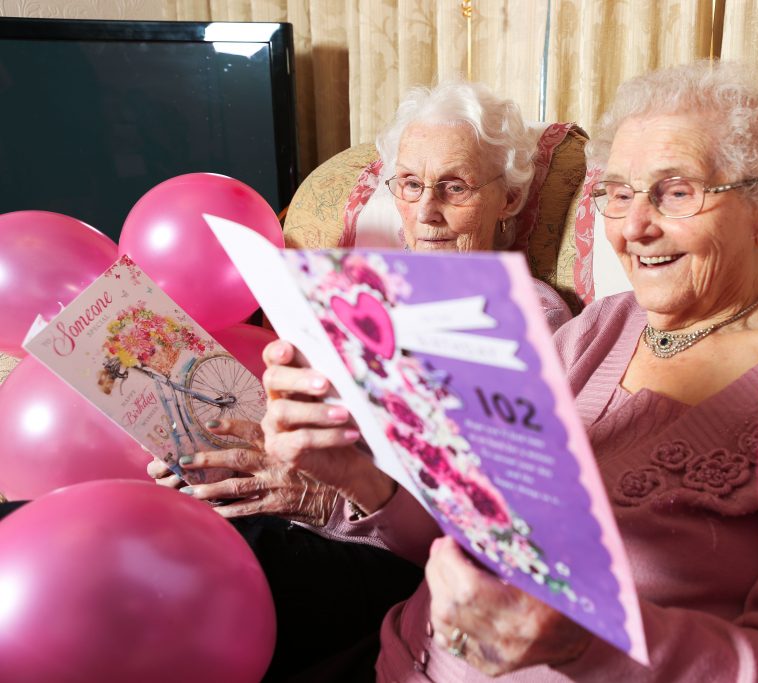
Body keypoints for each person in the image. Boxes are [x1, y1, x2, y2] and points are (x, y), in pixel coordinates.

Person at [258, 60, 758, 681]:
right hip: (399, 659)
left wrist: (584, 644)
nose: (635, 228)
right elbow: (468, 527)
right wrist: (356, 479)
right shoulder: (598, 329)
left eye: (676, 192)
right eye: (618, 194)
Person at [146, 80, 574, 680]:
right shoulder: (350, 292)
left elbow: (487, 514)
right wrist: (217, 454)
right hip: (287, 518)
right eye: (411, 184)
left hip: (385, 563)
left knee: (155, 571)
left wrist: (321, 500)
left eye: (455, 187)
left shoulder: (525, 316)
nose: (427, 211)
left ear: (507, 199)